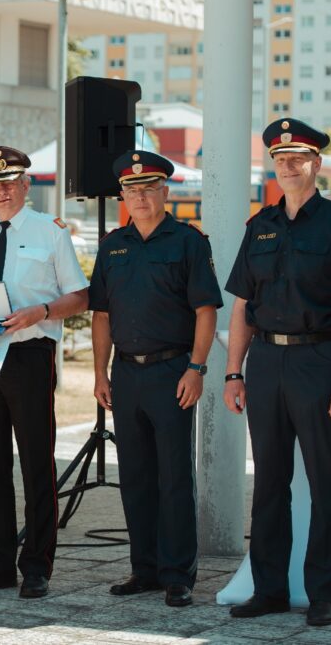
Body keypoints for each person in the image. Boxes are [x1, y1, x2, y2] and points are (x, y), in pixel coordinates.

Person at [224, 118, 331, 627]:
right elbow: (243, 306)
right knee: (269, 479)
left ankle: (322, 595)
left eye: (298, 158)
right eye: (280, 159)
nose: (287, 167)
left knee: (322, 481)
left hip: (318, 362)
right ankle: (269, 590)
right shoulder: (259, 226)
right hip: (266, 362)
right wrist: (233, 372)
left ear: (316, 164)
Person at [0, 146, 88, 599]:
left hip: (28, 355)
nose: (2, 191)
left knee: (35, 461)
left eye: (10, 183)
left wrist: (41, 312)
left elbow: (80, 297)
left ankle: (37, 564)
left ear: (26, 186)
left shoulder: (50, 232)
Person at [89, 150, 222, 607]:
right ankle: (143, 569)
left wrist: (197, 367)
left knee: (174, 478)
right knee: (136, 477)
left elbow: (206, 311)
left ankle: (177, 574)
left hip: (172, 373)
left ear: (166, 191)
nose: (140, 197)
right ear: (122, 195)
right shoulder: (112, 245)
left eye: (149, 189)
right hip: (125, 374)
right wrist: (99, 373)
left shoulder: (187, 242)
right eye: (131, 190)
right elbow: (102, 316)